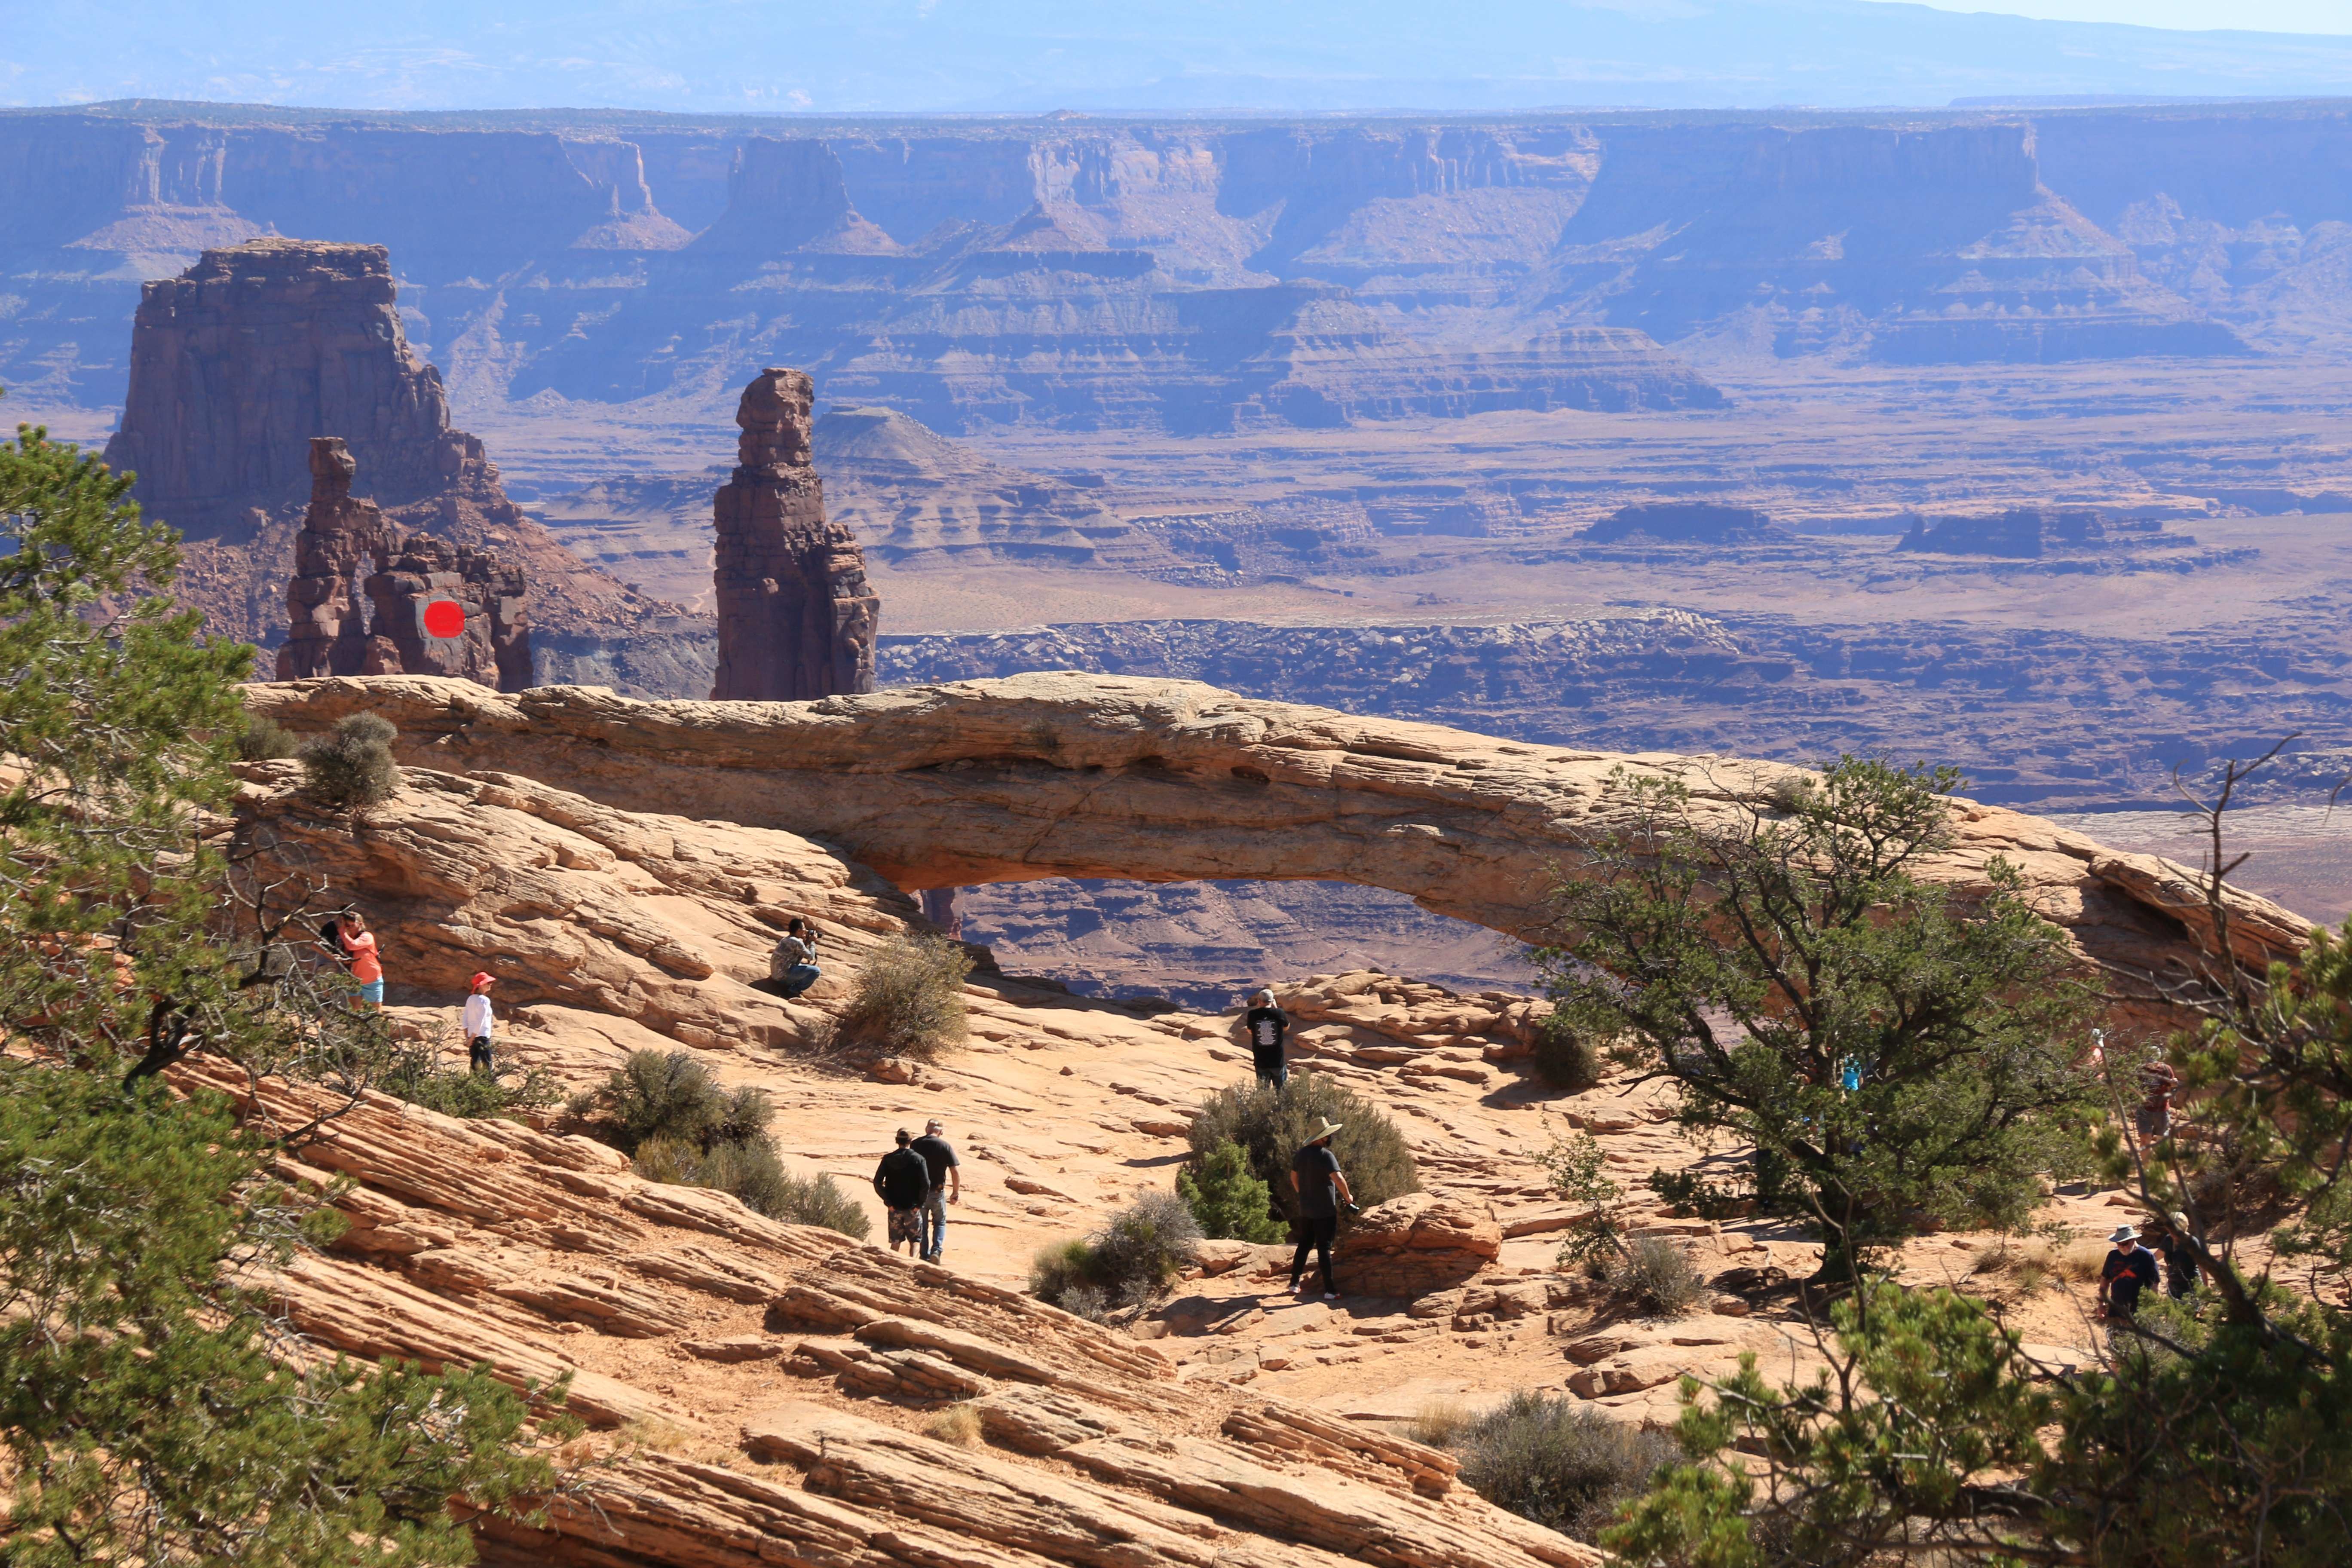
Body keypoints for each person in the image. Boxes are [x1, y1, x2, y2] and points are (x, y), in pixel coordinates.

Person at [1288, 1118, 1356, 1300]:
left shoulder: (1301, 1154)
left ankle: (1294, 1283)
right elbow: (1339, 1179)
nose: (1331, 1137)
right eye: (1329, 1135)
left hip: (1306, 1208)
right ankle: (1330, 1290)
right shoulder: (1326, 1155)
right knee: (1324, 1248)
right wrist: (1348, 1197)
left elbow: (1293, 1177)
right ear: (1323, 1137)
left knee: (1304, 1245)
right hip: (1325, 1210)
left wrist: (1302, 1193)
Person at [873, 1128, 932, 1257]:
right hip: (913, 1207)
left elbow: (877, 1182)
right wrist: (920, 1204)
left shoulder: (888, 1159)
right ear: (910, 1141)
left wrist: (888, 1202)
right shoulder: (919, 1159)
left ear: (897, 1141)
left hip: (894, 1208)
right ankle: (913, 1266)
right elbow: (926, 1184)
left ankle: (892, 1267)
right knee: (916, 1241)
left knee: (895, 1242)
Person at [909, 1118, 961, 1264]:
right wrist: (955, 1192)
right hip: (938, 1192)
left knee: (922, 1225)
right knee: (940, 1223)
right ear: (941, 1132)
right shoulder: (945, 1146)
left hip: (919, 1192)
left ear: (927, 1129)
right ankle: (936, 1251)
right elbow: (955, 1171)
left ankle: (924, 1256)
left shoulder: (916, 1144)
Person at [2098, 1224, 2161, 1321]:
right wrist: (2101, 1304)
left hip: (2139, 1312)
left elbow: (2154, 1285)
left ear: (2133, 1240)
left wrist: (2152, 1310)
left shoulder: (2146, 1257)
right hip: (2116, 1310)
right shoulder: (2113, 1256)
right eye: (2119, 1244)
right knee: (2114, 1335)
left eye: (2125, 1244)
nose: (2122, 1247)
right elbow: (2105, 1280)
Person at [1243, 989, 1290, 1088]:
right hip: (1278, 1061)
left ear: (1259, 1001)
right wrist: (1276, 1008)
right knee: (1282, 1093)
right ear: (1272, 1000)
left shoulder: (1252, 1014)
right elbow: (1286, 1027)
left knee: (1263, 1094)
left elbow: (1250, 1031)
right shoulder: (1280, 1013)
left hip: (1261, 1061)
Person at [2149, 1210, 2200, 1299]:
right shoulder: (2168, 1240)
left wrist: (2205, 1292)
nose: (2173, 1234)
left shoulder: (2192, 1243)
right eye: (2171, 1230)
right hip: (2173, 1287)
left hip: (2191, 1287)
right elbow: (2156, 1257)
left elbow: (2203, 1268)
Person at [337, 910, 383, 1010]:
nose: (348, 928)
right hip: (354, 981)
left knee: (375, 1012)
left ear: (360, 924)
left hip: (372, 980)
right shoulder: (345, 939)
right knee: (355, 1010)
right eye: (346, 925)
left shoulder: (367, 936)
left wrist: (342, 930)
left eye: (351, 925)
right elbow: (348, 958)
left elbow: (353, 946)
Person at [770, 917, 821, 1000]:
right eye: (804, 929)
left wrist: (805, 941)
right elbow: (811, 957)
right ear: (799, 931)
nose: (806, 931)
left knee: (804, 966)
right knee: (816, 971)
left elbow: (799, 954)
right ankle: (793, 990)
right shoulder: (797, 942)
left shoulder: (786, 939)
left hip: (776, 975)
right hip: (783, 978)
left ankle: (791, 986)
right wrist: (812, 942)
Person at [461, 972, 497, 1075]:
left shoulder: (470, 999)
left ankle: (473, 1087)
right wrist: (472, 1038)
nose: (490, 984)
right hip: (482, 1037)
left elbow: (465, 1019)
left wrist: (468, 1038)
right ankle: (488, 1088)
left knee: (475, 1065)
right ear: (481, 985)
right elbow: (480, 1021)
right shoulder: (485, 1000)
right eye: (488, 983)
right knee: (488, 1065)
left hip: (472, 1037)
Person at [2137, 1060, 2179, 1141]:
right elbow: (2134, 1087)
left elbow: (2172, 1091)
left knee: (2162, 1141)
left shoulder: (2166, 1069)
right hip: (2144, 1110)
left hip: (2162, 1110)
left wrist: (2174, 1086)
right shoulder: (2141, 1069)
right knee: (2145, 1140)